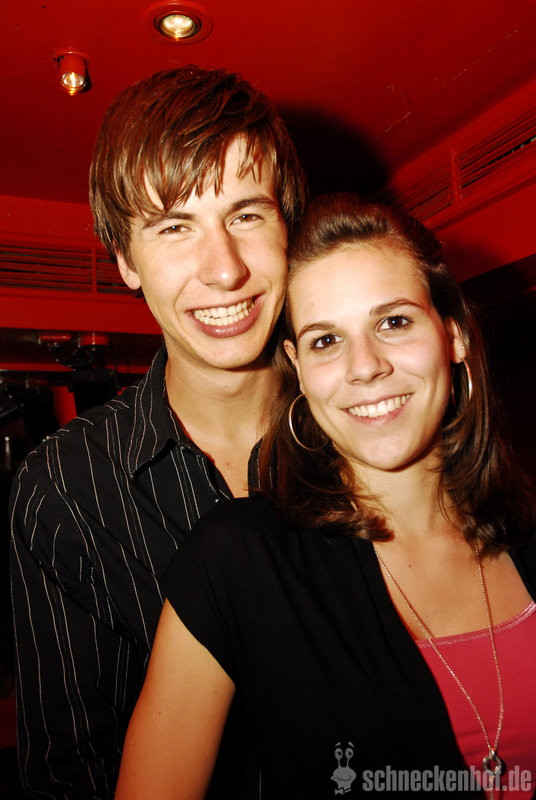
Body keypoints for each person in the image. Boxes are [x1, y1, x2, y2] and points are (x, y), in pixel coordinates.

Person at [115, 194, 536, 799]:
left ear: (454, 336)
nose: (364, 367)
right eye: (326, 340)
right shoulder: (237, 560)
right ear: (299, 370)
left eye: (393, 322)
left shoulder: (526, 532)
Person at [10, 66, 306, 799]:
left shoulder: (372, 438)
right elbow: (70, 776)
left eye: (247, 214)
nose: (225, 270)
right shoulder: (63, 488)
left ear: (288, 228)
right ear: (125, 262)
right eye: (175, 227)